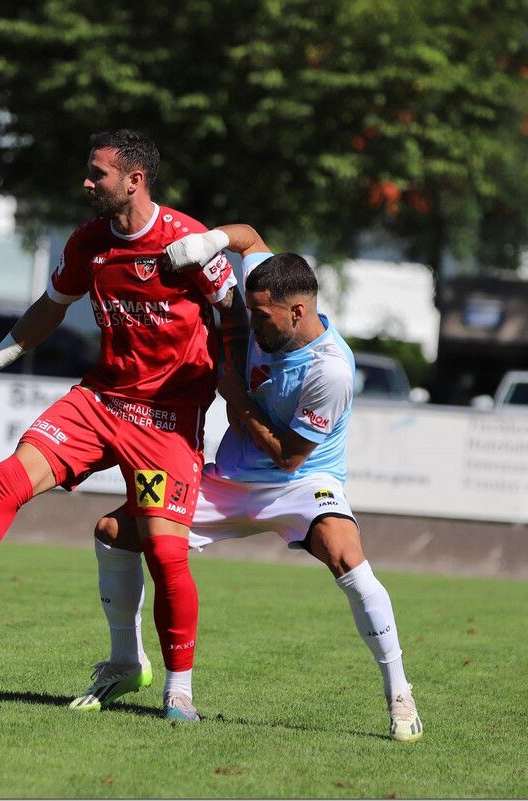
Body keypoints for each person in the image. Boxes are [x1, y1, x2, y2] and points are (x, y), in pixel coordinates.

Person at [0, 129, 248, 723]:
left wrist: (238, 389)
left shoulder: (188, 242)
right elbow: (50, 308)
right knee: (9, 479)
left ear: (134, 180)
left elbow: (236, 315)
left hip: (167, 419)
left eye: (99, 174)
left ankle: (178, 691)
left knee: (165, 555)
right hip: (100, 401)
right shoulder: (88, 242)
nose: (87, 183)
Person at [72, 224, 424, 742]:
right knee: (112, 531)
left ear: (298, 312)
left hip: (303, 482)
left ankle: (399, 695)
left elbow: (287, 457)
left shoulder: (330, 371)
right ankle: (126, 662)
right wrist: (206, 243)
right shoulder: (268, 283)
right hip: (228, 481)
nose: (250, 324)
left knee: (347, 557)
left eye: (261, 317)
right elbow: (250, 236)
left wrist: (235, 397)